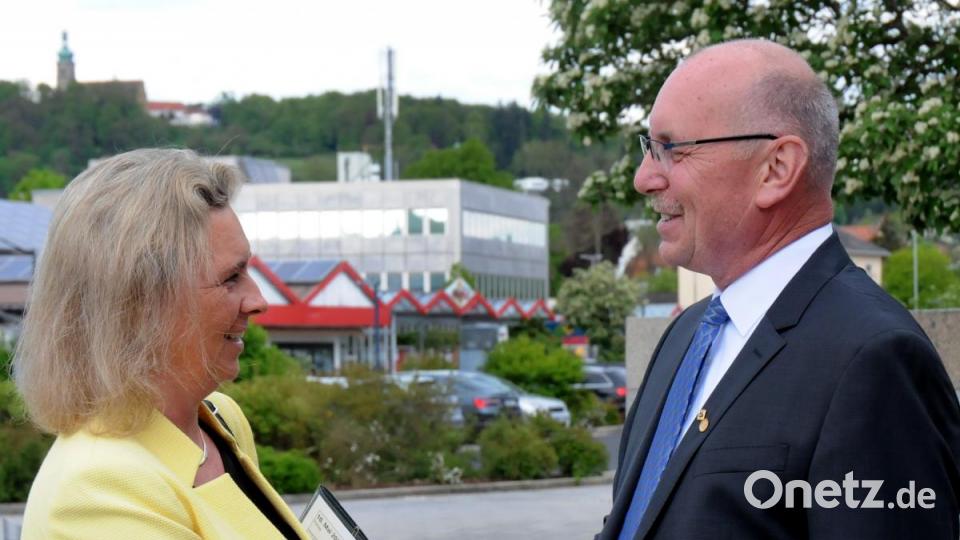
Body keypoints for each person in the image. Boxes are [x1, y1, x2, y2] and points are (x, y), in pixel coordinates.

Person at [599, 39, 960, 540]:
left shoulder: (873, 358)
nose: (644, 178)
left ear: (776, 169)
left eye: (672, 149)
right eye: (648, 149)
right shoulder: (686, 335)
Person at [14, 149, 309, 539]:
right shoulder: (96, 494)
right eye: (231, 278)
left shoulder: (219, 421)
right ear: (141, 303)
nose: (258, 301)